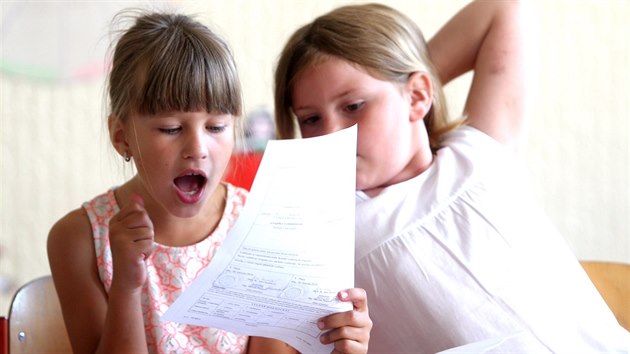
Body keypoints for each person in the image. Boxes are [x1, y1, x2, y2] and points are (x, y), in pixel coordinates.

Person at [274, 1, 629, 353]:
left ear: (418, 95)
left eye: (353, 106)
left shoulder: (475, 153)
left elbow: (504, 9)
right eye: (310, 119)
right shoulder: (321, 228)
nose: (333, 134)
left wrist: (397, 80)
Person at [47, 10, 371, 354]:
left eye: (216, 127)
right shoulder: (79, 238)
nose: (197, 149)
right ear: (121, 135)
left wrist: (341, 348)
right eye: (171, 128)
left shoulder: (260, 225)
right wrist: (126, 286)